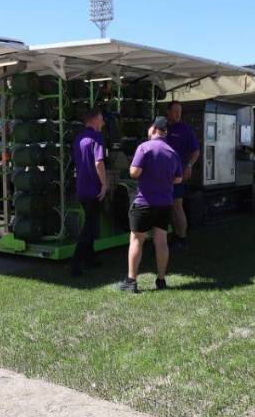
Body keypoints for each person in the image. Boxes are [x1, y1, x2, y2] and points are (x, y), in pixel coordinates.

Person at [117, 117, 183, 293]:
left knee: (137, 239)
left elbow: (134, 172)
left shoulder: (144, 148)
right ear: (165, 132)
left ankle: (131, 282)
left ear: (153, 129)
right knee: (161, 241)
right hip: (165, 203)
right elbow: (178, 179)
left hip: (145, 202)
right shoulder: (172, 152)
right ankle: (161, 280)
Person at [70, 108, 108, 276]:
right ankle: (75, 264)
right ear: (93, 121)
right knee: (90, 227)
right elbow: (99, 163)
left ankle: (89, 259)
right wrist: (104, 184)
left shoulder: (79, 138)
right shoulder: (97, 137)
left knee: (91, 223)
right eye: (101, 119)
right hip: (94, 188)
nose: (103, 122)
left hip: (82, 187)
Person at [163, 101, 200, 251]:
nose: (178, 114)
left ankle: (182, 238)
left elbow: (196, 151)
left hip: (178, 174)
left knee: (177, 206)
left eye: (180, 111)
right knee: (170, 206)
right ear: (168, 112)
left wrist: (189, 165)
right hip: (164, 175)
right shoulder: (163, 129)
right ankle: (176, 235)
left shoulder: (185, 129)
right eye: (175, 111)